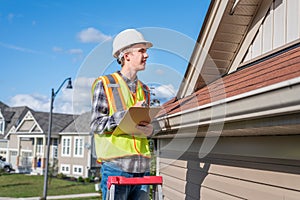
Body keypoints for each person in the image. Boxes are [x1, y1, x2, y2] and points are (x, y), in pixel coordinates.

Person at [91, 29, 154, 200]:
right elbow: (96, 125)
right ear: (126, 56)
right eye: (142, 51)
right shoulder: (105, 84)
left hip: (142, 169)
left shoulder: (145, 90)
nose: (147, 55)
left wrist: (150, 130)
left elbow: (141, 128)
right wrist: (128, 114)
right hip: (116, 167)